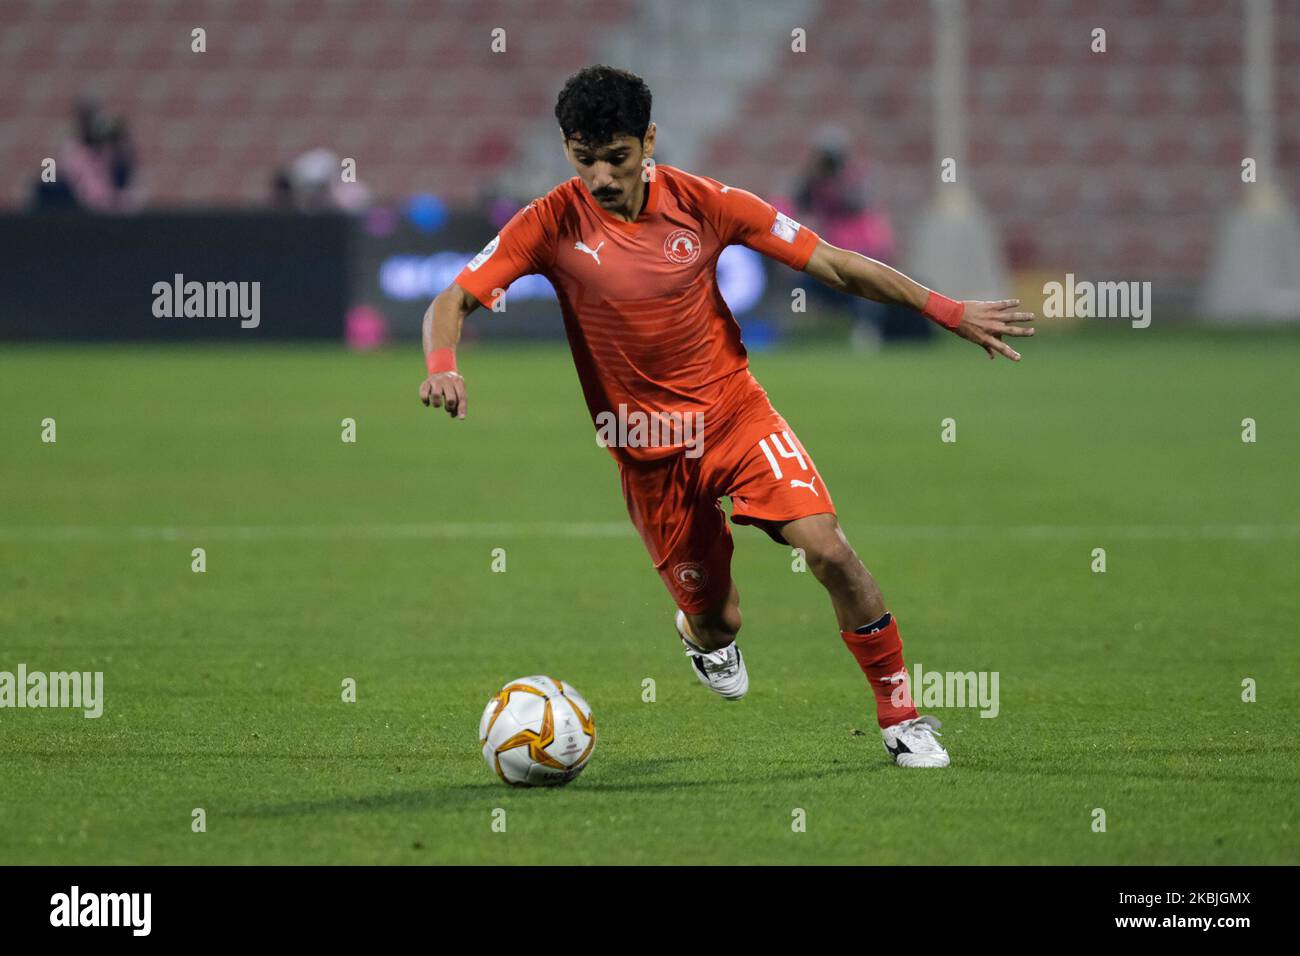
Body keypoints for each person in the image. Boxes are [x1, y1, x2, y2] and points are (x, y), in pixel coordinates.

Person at [418, 66, 1034, 768]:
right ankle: (701, 633)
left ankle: (901, 716)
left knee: (827, 548)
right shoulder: (549, 221)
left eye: (617, 157)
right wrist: (444, 367)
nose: (601, 177)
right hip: (645, 451)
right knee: (719, 622)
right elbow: (453, 300)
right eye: (584, 159)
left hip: (735, 418)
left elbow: (832, 263)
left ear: (648, 140)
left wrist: (947, 310)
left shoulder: (707, 204)